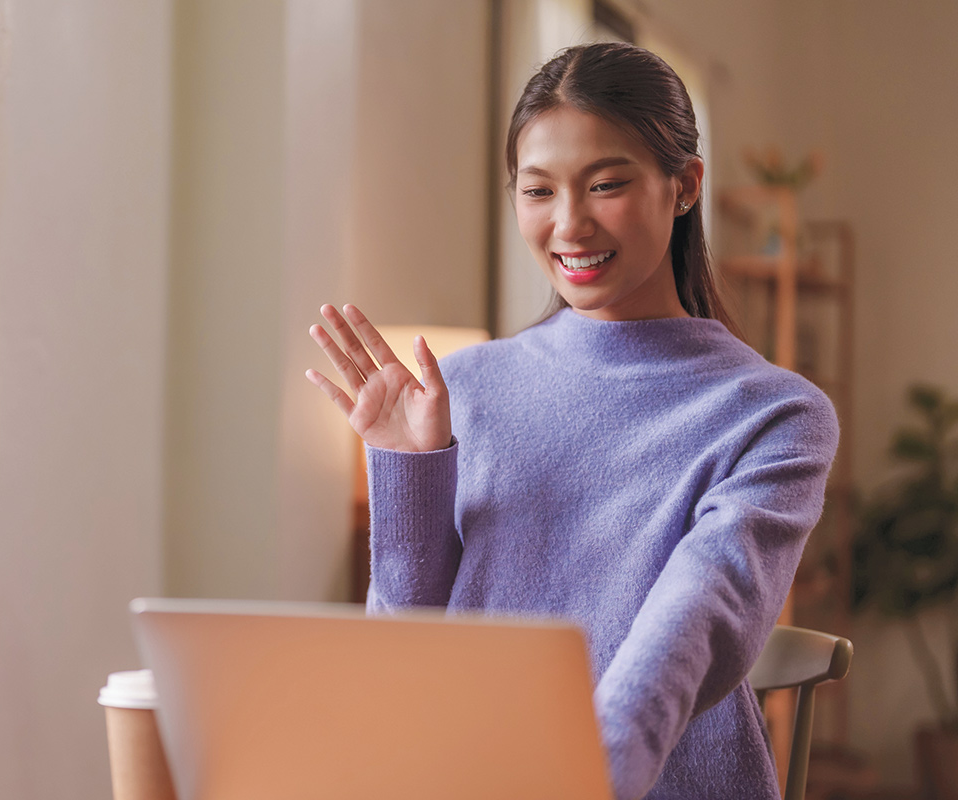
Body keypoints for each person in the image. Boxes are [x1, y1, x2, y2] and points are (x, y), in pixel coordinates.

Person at [305, 42, 838, 800]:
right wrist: (407, 466)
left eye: (606, 184)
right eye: (538, 191)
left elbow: (698, 613)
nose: (570, 225)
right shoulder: (460, 389)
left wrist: (588, 770)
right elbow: (408, 648)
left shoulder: (774, 414)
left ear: (684, 186)